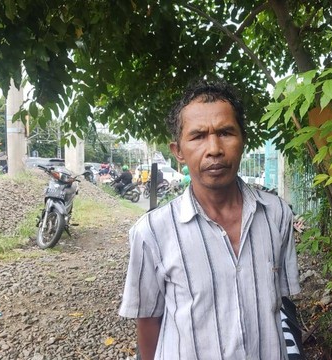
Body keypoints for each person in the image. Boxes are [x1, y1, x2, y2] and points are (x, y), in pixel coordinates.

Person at [119, 80, 300, 360]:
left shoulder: (277, 215)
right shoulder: (152, 232)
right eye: (198, 136)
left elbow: (280, 305)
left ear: (243, 140)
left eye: (226, 132)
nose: (214, 148)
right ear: (178, 151)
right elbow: (148, 322)